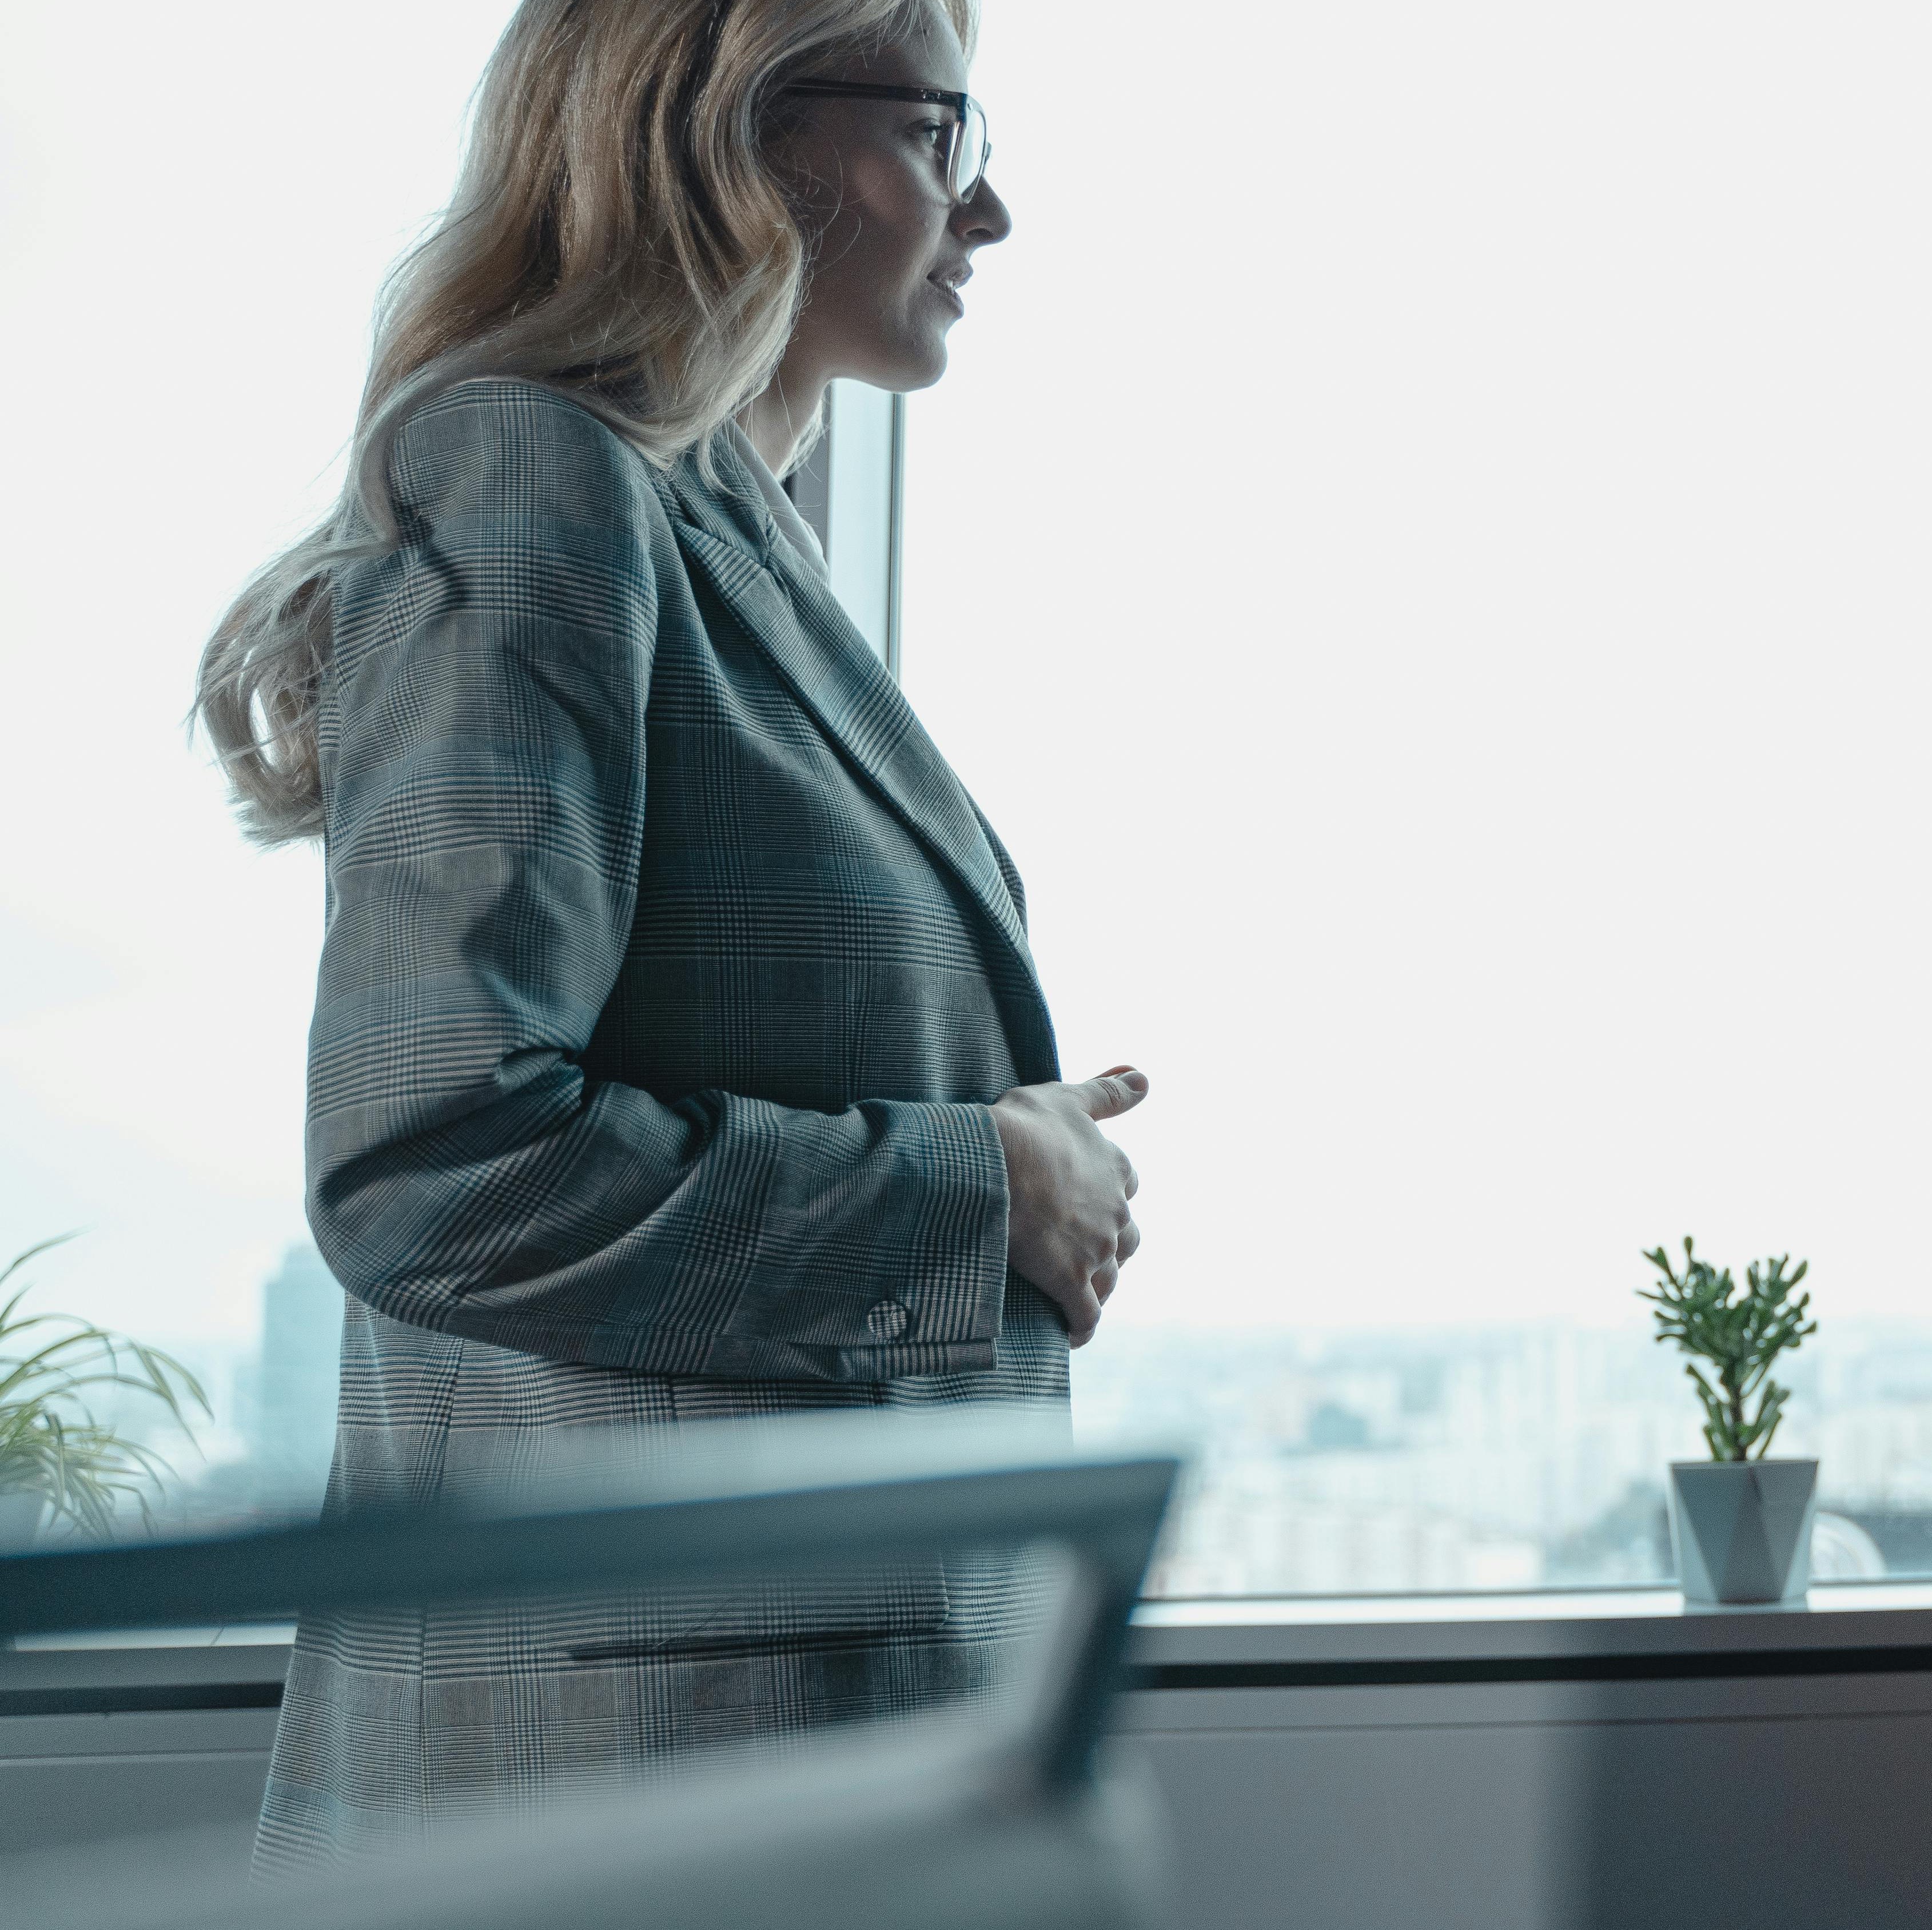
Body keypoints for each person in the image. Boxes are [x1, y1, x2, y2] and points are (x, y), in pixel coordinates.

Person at [190, 0, 1146, 1870]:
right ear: (742, 137)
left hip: (774, 1739)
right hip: (618, 1771)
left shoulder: (725, 520)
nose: (994, 208)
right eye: (946, 135)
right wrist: (982, 1192)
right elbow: (431, 1164)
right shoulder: (535, 472)